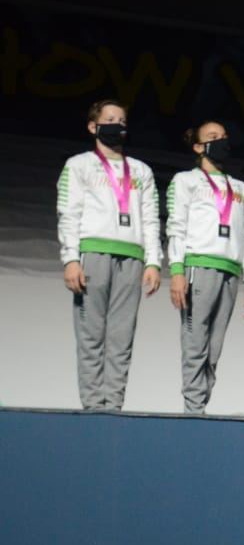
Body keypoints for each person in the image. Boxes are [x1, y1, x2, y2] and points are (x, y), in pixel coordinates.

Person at [56, 99, 162, 410]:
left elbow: (151, 218)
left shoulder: (142, 170)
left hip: (132, 257)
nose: (117, 124)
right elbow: (68, 213)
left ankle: (113, 405)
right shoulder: (78, 165)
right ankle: (92, 405)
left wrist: (154, 261)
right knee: (91, 335)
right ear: (93, 126)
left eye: (122, 119)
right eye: (110, 118)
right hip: (93, 254)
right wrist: (71, 258)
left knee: (121, 336)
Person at [166, 121, 244, 414]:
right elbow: (176, 226)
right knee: (195, 343)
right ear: (198, 147)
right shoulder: (185, 181)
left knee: (214, 348)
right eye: (213, 138)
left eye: (225, 137)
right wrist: (177, 270)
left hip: (230, 271)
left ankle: (201, 405)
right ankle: (192, 411)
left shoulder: (241, 189)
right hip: (198, 267)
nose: (222, 141)